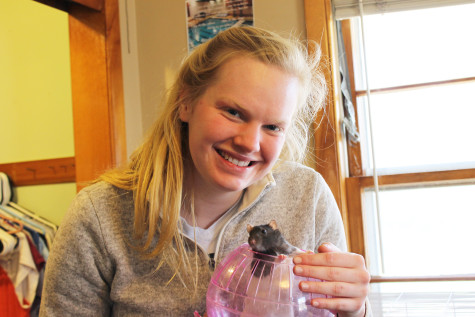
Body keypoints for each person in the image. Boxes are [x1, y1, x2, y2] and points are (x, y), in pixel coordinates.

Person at [39, 26, 371, 316]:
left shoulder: (307, 196)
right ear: (186, 101)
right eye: (233, 112)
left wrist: (353, 309)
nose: (249, 142)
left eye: (272, 126)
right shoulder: (99, 216)